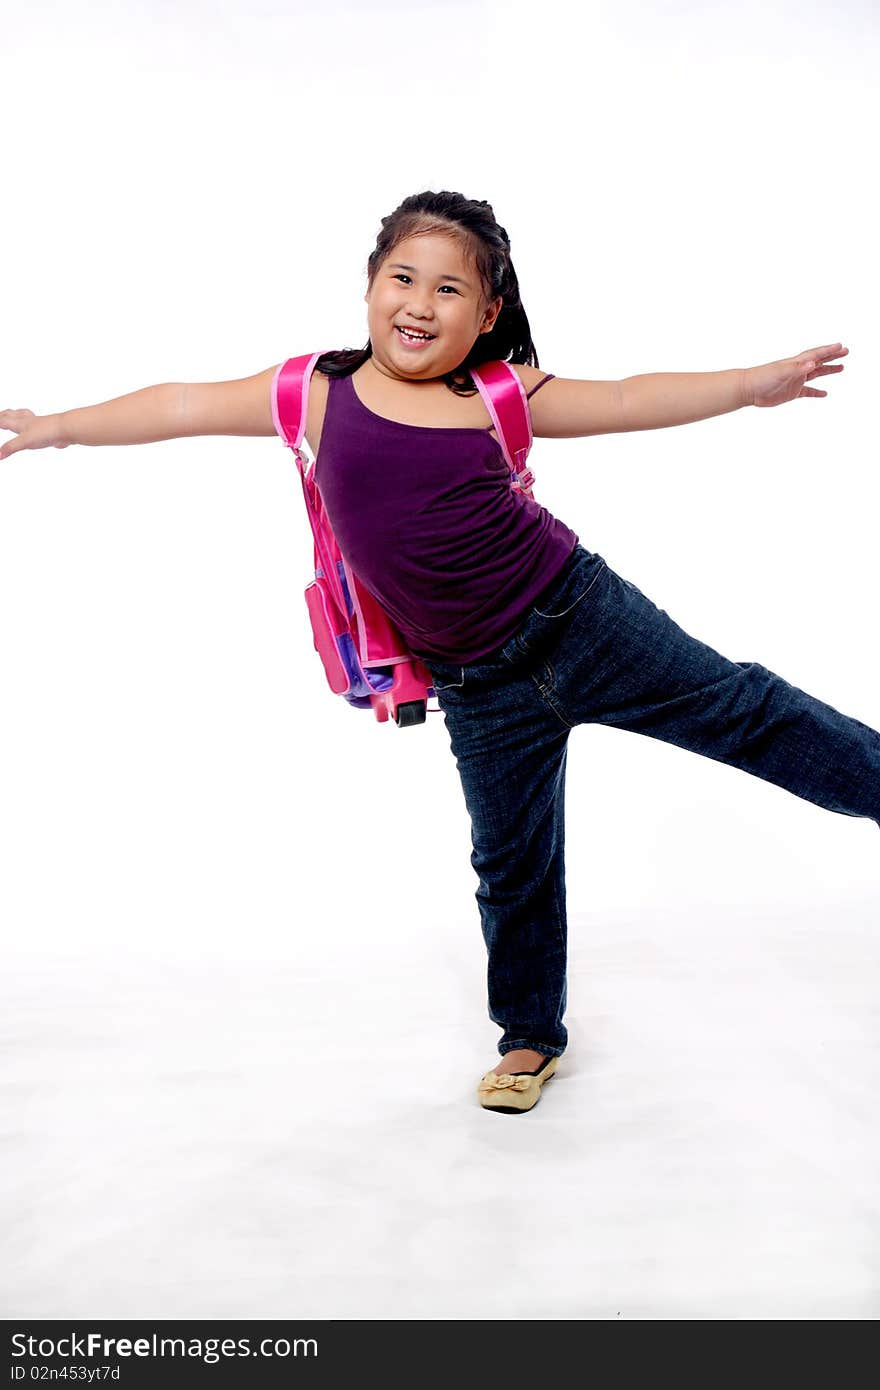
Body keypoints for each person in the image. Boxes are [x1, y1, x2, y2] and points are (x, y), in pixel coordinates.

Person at [1, 189, 871, 1116]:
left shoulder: (494, 395)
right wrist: (58, 425)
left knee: (749, 712)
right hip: (476, 683)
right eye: (402, 278)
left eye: (450, 289)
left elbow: (624, 397)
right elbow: (178, 402)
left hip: (583, 621)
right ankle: (531, 1037)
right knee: (511, 861)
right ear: (369, 286)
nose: (420, 303)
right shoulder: (314, 393)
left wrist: (748, 386)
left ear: (487, 314)